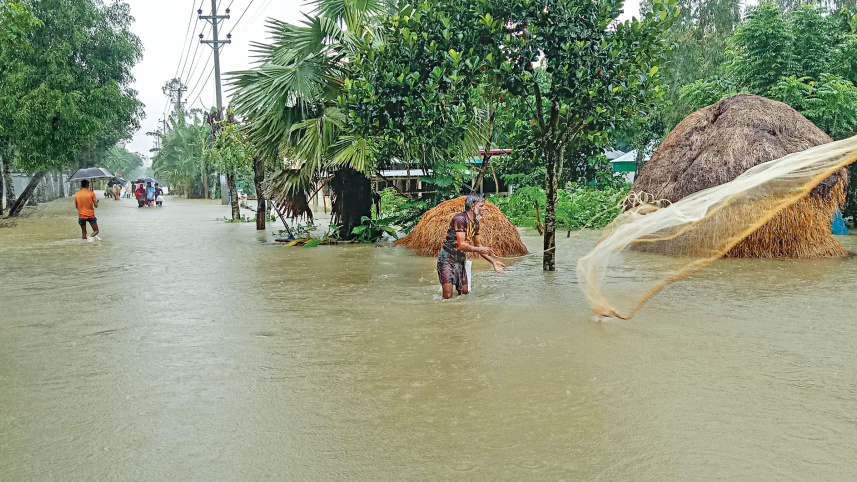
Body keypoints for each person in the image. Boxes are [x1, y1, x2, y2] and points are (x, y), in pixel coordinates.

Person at [437, 193, 505, 299]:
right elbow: (461, 245)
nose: (484, 208)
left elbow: (478, 246)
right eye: (481, 206)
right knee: (448, 296)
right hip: (447, 260)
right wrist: (479, 249)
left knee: (464, 293)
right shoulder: (459, 219)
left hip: (460, 259)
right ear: (473, 207)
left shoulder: (476, 224)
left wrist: (494, 262)